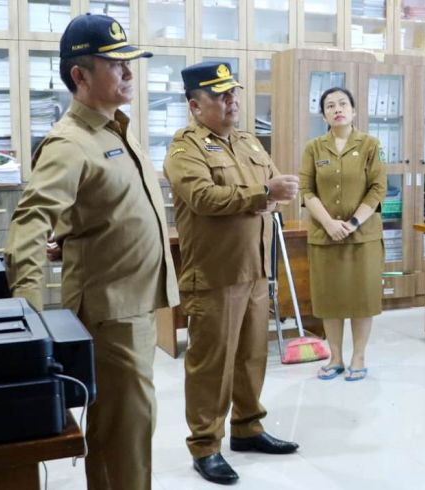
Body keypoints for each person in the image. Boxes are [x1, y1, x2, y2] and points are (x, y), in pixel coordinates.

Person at [4, 14, 178, 490]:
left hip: (137, 304)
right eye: (116, 65)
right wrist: (28, 320)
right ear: (79, 76)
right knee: (128, 431)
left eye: (130, 64)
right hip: (112, 311)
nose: (129, 73)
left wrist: (77, 236)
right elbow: (30, 220)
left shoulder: (115, 129)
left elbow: (104, 209)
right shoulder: (69, 141)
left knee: (122, 427)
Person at [163, 61, 300, 485]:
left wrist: (271, 194)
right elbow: (204, 198)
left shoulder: (248, 142)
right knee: (211, 365)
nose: (231, 101)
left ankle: (247, 427)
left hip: (256, 269)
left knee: (251, 355)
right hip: (216, 274)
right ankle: (205, 445)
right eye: (220, 95)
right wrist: (263, 194)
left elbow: (274, 185)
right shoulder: (185, 149)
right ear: (194, 105)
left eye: (233, 93)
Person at [298, 87, 386, 382]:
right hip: (325, 237)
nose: (337, 109)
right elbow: (306, 190)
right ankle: (335, 357)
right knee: (328, 298)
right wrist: (329, 223)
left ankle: (358, 356)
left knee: (362, 298)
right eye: (330, 105)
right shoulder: (314, 147)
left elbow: (377, 188)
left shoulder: (370, 144)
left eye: (343, 104)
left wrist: (353, 223)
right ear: (323, 113)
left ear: (354, 110)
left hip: (362, 237)